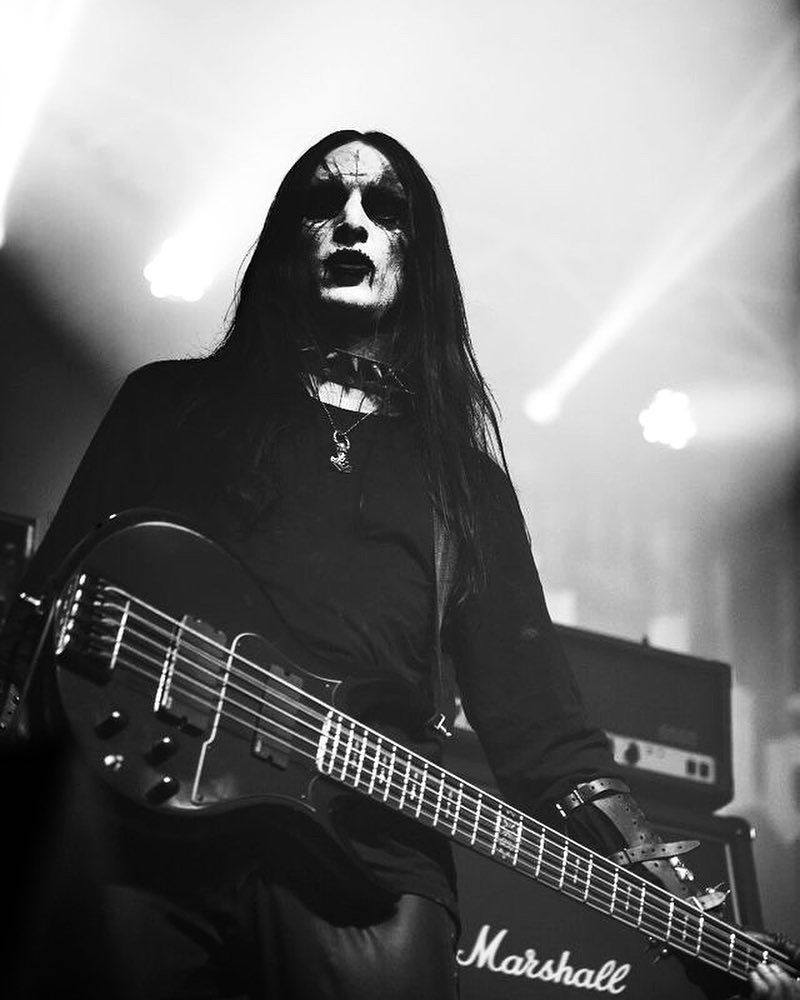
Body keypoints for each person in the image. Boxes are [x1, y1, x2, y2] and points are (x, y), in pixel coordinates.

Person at [0, 129, 797, 1000]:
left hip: (368, 880)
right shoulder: (170, 404)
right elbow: (39, 614)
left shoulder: (465, 489)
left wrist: (693, 921)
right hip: (142, 840)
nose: (352, 222)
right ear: (285, 240)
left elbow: (547, 741)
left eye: (383, 209)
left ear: (419, 259)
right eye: (324, 203)